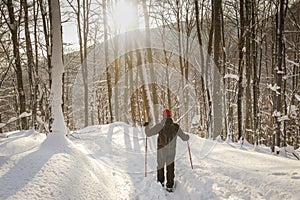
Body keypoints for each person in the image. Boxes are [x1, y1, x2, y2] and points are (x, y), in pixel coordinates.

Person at [144, 109, 190, 191]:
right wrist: (187, 137)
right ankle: (169, 185)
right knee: (170, 167)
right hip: (171, 151)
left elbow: (148, 133)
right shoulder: (175, 127)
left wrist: (146, 126)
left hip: (161, 150)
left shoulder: (160, 126)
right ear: (170, 116)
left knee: (160, 166)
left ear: (163, 116)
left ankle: (160, 183)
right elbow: (184, 138)